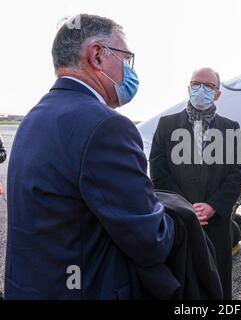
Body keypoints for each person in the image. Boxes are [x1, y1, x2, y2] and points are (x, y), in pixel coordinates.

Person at [5, 14, 174, 299]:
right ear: (97, 56)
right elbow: (151, 239)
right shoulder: (105, 126)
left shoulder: (34, 117)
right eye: (126, 58)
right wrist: (175, 214)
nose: (129, 70)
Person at [150, 68, 241, 299]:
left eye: (209, 86)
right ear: (189, 88)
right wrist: (185, 207)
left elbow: (236, 172)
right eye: (196, 84)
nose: (201, 89)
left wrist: (213, 206)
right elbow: (158, 170)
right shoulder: (167, 125)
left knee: (217, 285)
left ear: (218, 94)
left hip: (216, 223)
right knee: (181, 282)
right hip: (179, 221)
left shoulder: (230, 127)